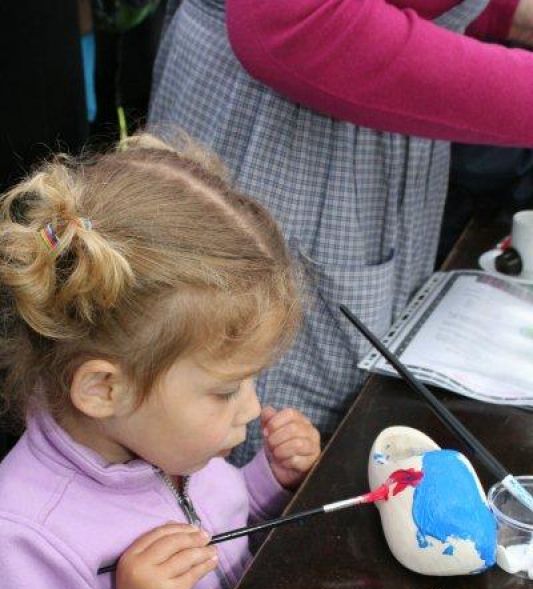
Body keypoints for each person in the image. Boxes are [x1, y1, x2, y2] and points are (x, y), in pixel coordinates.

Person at [0, 133, 320, 589]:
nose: (250, 409)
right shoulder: (23, 536)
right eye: (225, 391)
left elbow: (206, 531)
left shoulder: (162, 441)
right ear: (103, 389)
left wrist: (268, 483)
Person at [149, 0, 533, 466]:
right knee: (261, 439)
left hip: (371, 117)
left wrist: (504, 13)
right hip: (290, 128)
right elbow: (292, 19)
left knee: (360, 423)